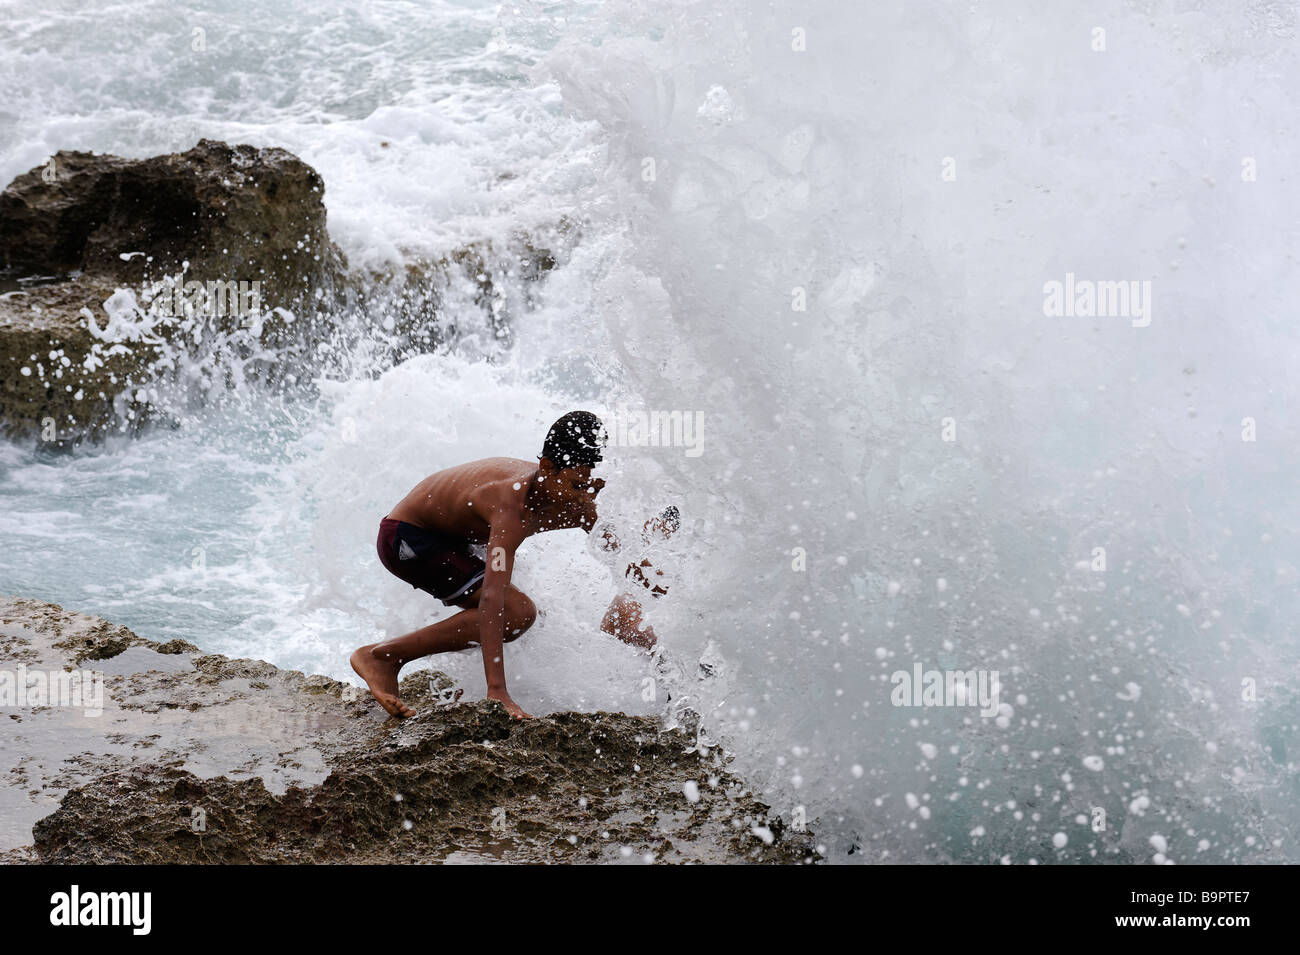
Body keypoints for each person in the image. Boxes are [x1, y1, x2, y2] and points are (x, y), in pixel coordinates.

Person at [350, 411, 606, 720]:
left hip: (451, 540)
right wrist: (497, 692)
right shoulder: (511, 507)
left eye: (589, 485)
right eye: (577, 486)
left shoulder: (571, 495)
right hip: (407, 539)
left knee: (532, 616)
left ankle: (446, 680)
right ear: (547, 468)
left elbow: (617, 547)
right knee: (516, 612)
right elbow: (492, 600)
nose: (584, 497)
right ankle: (384, 656)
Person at [598, 506, 680, 650]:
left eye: (659, 525)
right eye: (650, 522)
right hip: (616, 638)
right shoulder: (636, 546)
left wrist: (644, 576)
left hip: (648, 639)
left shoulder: (673, 561)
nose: (648, 525)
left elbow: (670, 592)